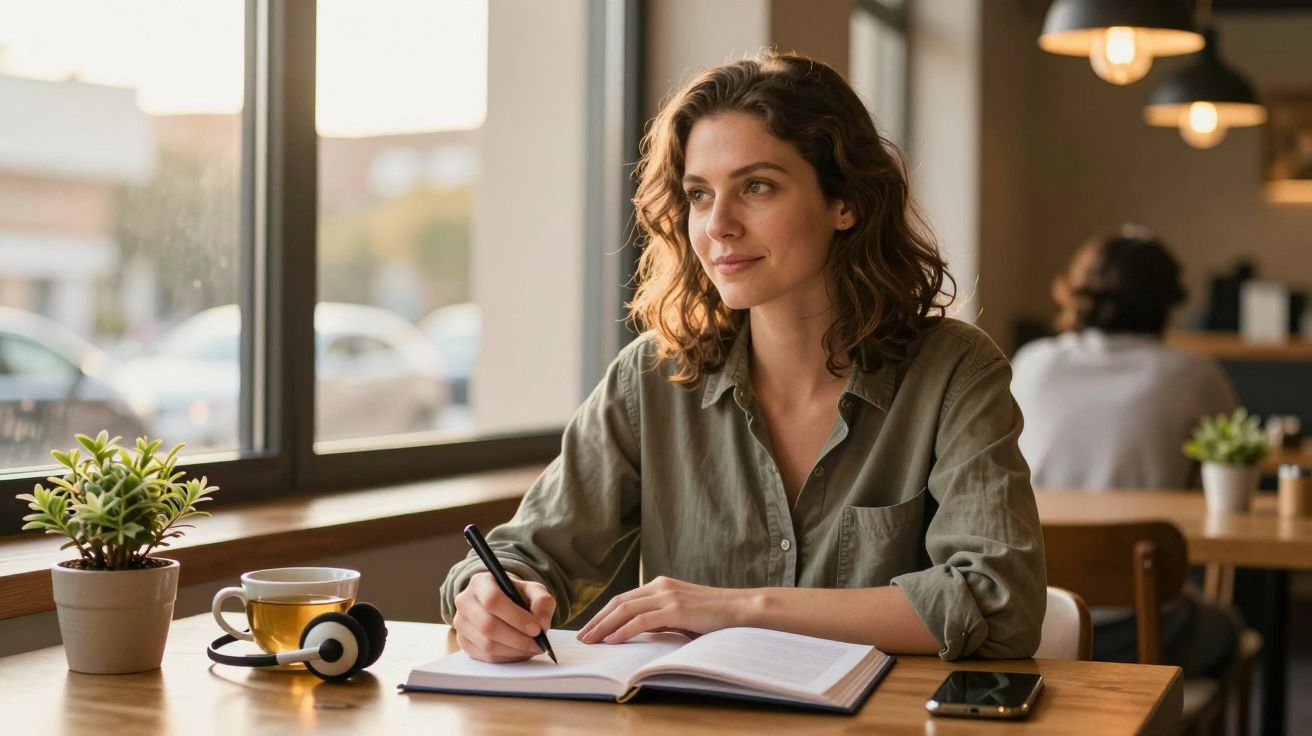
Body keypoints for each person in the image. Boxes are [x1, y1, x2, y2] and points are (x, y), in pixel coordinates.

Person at [439, 52, 1046, 664]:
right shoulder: (650, 378)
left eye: (757, 186)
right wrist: (488, 595)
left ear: (845, 202)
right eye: (699, 195)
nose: (718, 225)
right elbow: (526, 556)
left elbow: (998, 602)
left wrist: (737, 610)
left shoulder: (953, 372)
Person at [1011, 227, 1240, 677]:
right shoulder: (1194, 374)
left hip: (1031, 623)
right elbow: (1229, 461)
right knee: (1228, 630)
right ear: (1167, 301)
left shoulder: (1032, 363)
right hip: (1144, 629)